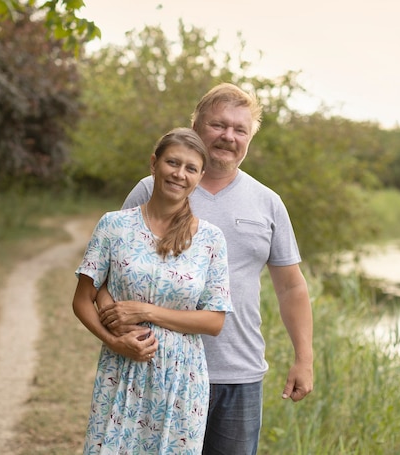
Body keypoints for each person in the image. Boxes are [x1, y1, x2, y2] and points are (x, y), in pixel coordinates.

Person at [99, 83, 314, 454]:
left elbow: (291, 287)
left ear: (249, 139)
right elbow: (105, 277)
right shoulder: (154, 189)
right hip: (157, 366)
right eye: (218, 125)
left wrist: (304, 358)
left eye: (240, 129)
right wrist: (118, 334)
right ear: (196, 125)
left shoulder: (268, 203)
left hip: (238, 373)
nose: (228, 136)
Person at [72, 127, 233, 454]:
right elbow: (82, 300)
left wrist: (145, 312)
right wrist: (116, 342)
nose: (179, 174)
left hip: (182, 381)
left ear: (200, 177)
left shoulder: (210, 239)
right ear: (154, 164)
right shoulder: (113, 225)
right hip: (121, 370)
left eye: (190, 168)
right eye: (172, 162)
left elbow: (214, 322)